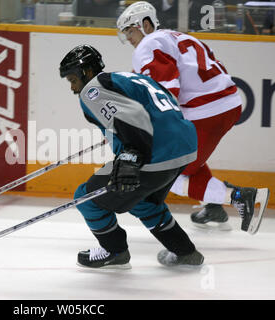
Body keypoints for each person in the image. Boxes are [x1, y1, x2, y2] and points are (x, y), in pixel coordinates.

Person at [116, 1, 269, 233]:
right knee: (186, 158)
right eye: (125, 32)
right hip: (220, 105)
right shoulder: (174, 36)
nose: (128, 37)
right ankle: (212, 204)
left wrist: (144, 126)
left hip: (207, 111)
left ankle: (240, 196)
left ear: (145, 24)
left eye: (130, 30)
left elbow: (167, 92)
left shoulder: (147, 45)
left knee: (168, 173)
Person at [59, 44, 204, 268]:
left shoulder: (93, 90)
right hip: (183, 147)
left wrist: (130, 156)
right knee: (144, 202)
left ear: (85, 72)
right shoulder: (126, 78)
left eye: (72, 79)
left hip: (155, 152)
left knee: (86, 198)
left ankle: (114, 251)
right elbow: (160, 108)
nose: (72, 87)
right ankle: (186, 253)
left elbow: (133, 115)